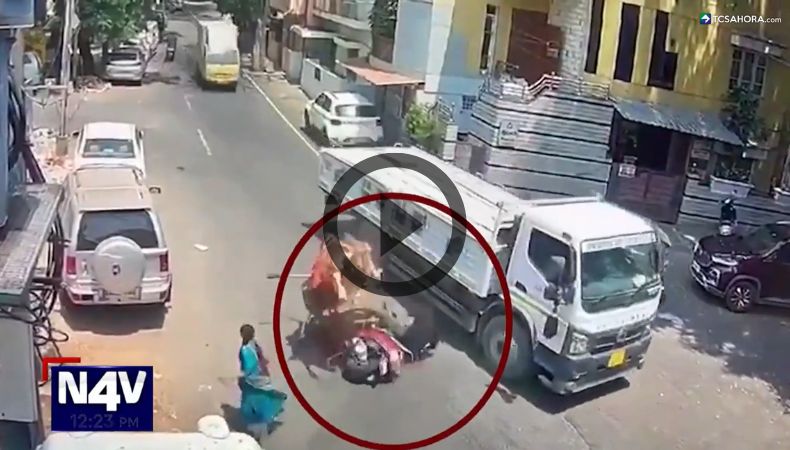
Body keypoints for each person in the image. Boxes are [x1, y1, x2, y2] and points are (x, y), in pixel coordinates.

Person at [238, 324, 287, 441]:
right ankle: (269, 422)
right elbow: (260, 359)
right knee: (266, 398)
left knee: (253, 401)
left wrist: (247, 374)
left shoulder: (245, 349)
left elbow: (249, 366)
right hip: (261, 377)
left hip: (254, 380)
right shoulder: (254, 344)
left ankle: (256, 430)